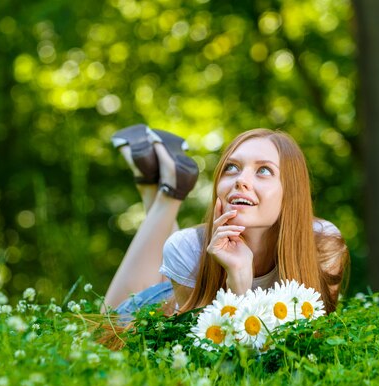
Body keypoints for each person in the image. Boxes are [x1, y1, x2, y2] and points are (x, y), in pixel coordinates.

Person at [104, 125, 348, 318]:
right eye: (231, 167)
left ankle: (160, 184)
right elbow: (207, 351)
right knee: (103, 328)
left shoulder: (323, 244)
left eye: (264, 170)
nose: (240, 180)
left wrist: (240, 278)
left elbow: (314, 332)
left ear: (291, 192)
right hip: (164, 306)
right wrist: (238, 283)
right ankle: (167, 193)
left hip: (186, 285)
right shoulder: (185, 247)